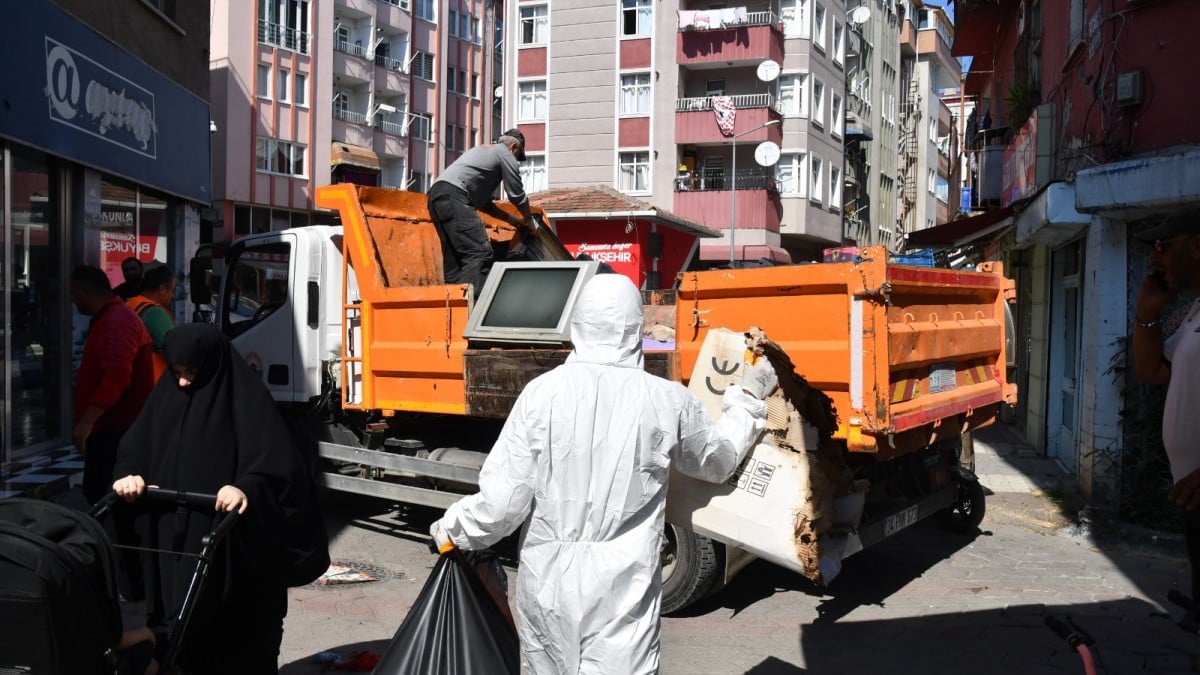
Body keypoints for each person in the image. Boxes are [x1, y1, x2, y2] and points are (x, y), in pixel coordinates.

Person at [430, 273, 775, 674]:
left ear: (576, 324)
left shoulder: (542, 394)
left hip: (547, 582)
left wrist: (451, 529)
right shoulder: (666, 401)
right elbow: (717, 461)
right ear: (635, 329)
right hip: (622, 588)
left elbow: (502, 504)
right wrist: (747, 399)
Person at [111, 323, 330, 674]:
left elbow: (279, 469)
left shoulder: (247, 401)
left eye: (192, 373)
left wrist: (245, 486)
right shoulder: (166, 398)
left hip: (232, 550)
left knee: (235, 641)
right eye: (176, 372)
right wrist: (130, 478)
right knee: (180, 628)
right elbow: (133, 451)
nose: (182, 382)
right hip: (176, 546)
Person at [1133, 208, 1200, 619]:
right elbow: (1152, 371)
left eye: (1162, 246)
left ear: (1197, 246)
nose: (1154, 259)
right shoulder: (1193, 315)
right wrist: (1146, 311)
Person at [70, 265, 156, 505]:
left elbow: (116, 376)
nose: (73, 301)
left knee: (110, 499)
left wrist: (87, 422)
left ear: (85, 292)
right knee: (101, 496)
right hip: (111, 429)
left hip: (117, 432)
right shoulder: (111, 318)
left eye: (74, 295)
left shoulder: (116, 321)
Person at [427, 128, 532, 293]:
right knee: (479, 251)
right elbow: (516, 195)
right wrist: (529, 219)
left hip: (436, 196)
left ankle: (454, 310)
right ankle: (472, 311)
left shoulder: (484, 153)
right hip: (455, 195)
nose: (516, 162)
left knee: (455, 259)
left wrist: (513, 220)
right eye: (517, 157)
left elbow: (485, 205)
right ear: (513, 147)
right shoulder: (504, 153)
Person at [125, 264, 177, 382]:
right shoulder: (155, 313)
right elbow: (173, 354)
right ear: (163, 289)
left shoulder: (130, 304)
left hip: (133, 381)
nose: (173, 296)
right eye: (172, 290)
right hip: (153, 385)